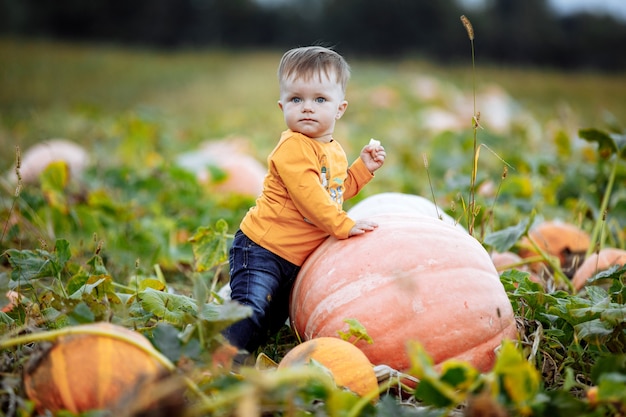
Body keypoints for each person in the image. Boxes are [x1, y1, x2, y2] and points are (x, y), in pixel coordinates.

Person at [223, 45, 386, 365]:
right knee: (251, 307)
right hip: (262, 248)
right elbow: (311, 200)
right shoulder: (293, 148)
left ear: (340, 108)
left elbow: (334, 192)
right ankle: (216, 359)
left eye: (320, 100)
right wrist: (344, 226)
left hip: (294, 259)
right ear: (282, 105)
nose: (307, 108)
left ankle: (238, 353)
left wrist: (363, 169)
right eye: (297, 99)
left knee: (270, 320)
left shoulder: (333, 150)